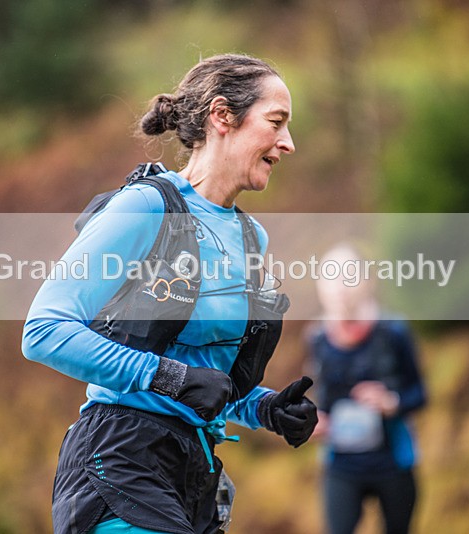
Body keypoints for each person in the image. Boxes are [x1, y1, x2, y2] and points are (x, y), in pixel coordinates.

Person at [22, 54, 318, 534]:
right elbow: (44, 331)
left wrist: (261, 407)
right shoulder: (147, 206)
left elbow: (204, 379)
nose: (288, 142)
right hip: (119, 459)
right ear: (223, 116)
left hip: (196, 470)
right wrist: (168, 377)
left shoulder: (251, 237)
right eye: (276, 122)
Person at [308, 244, 426, 534]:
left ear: (368, 281)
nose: (341, 288)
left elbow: (421, 394)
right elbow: (319, 402)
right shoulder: (316, 338)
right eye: (331, 278)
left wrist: (392, 403)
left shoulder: (394, 332)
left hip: (393, 464)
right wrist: (313, 422)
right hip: (341, 467)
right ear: (320, 287)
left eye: (349, 277)